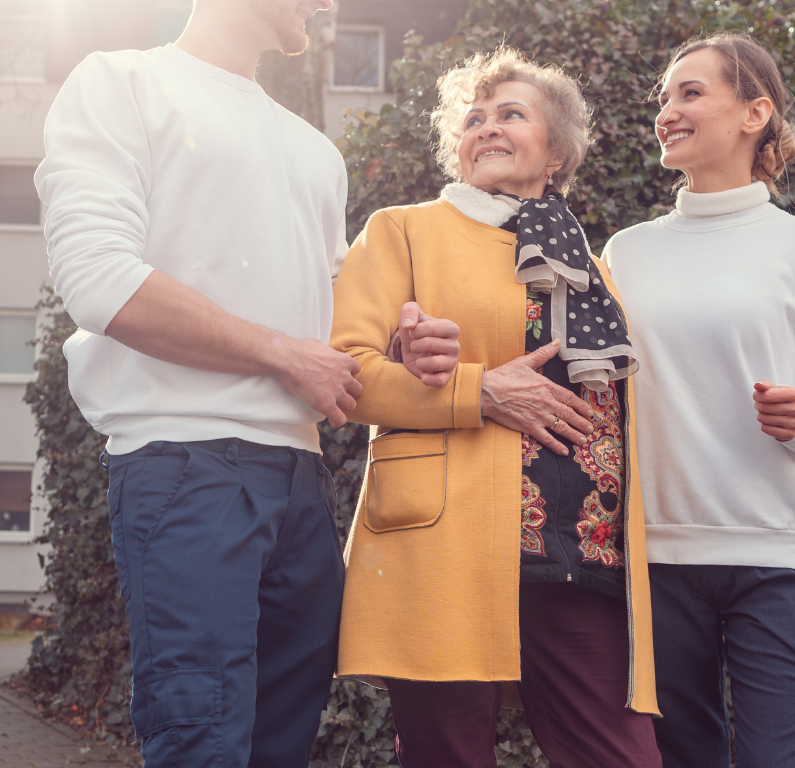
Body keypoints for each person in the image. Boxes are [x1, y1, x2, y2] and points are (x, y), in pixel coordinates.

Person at [34, 1, 460, 765]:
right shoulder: (122, 83)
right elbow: (100, 279)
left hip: (302, 482)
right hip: (185, 465)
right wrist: (281, 355)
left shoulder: (315, 151)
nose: (328, 5)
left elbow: (330, 318)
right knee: (202, 741)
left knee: (279, 746)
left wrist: (399, 339)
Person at [330, 47, 662, 767]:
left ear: (556, 153)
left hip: (582, 554)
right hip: (444, 543)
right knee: (446, 755)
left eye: (511, 114)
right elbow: (346, 373)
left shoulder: (590, 264)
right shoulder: (403, 229)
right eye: (473, 119)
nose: (486, 127)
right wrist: (476, 391)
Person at [602, 33, 795, 767]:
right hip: (656, 557)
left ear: (755, 113)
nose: (666, 111)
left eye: (690, 93)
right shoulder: (625, 252)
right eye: (664, 97)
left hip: (783, 554)